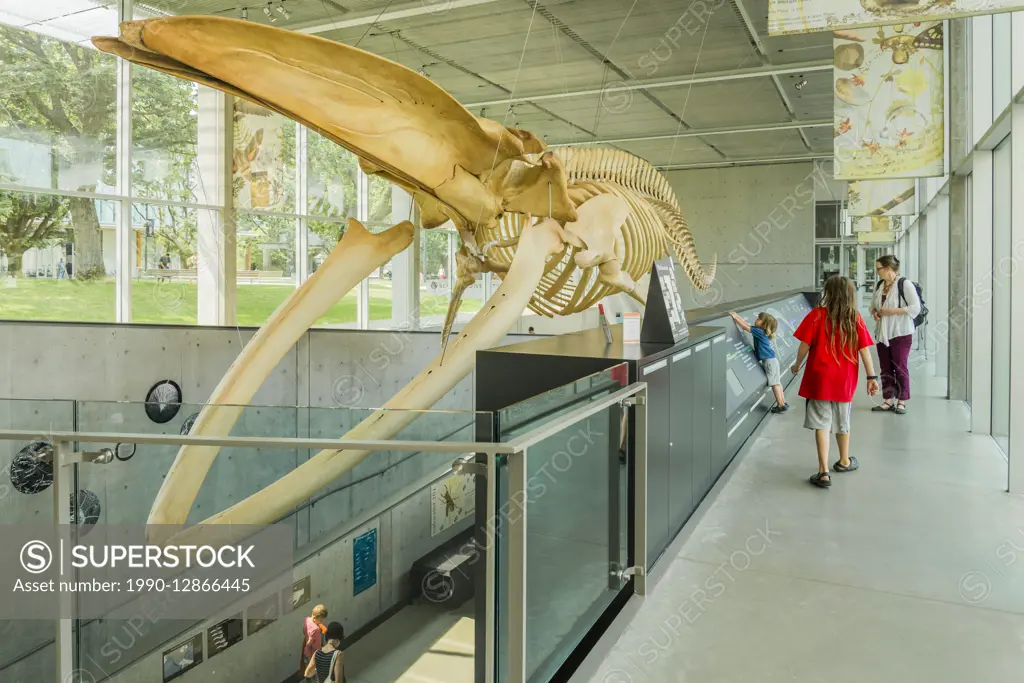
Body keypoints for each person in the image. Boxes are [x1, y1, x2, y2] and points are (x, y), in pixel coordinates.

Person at [791, 275, 880, 488]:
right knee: (843, 421)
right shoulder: (854, 318)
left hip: (819, 378)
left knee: (822, 423)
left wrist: (797, 364)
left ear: (828, 293)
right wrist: (871, 376)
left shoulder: (816, 315)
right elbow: (864, 350)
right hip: (845, 379)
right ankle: (844, 461)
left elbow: (804, 345)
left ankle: (823, 472)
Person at [869, 255, 920, 415]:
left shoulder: (904, 284)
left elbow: (915, 308)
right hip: (883, 333)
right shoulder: (879, 285)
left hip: (900, 333)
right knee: (885, 367)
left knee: (900, 366)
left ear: (889, 268)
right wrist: (876, 313)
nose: (877, 272)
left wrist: (892, 311)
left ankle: (901, 401)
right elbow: (872, 306)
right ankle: (888, 400)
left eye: (879, 268)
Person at [728, 311, 788, 413]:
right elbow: (746, 324)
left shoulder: (759, 331)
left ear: (764, 324)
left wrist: (735, 317)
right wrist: (736, 315)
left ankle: (781, 405)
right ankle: (783, 402)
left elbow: (745, 327)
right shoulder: (762, 331)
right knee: (777, 383)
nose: (756, 319)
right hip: (773, 360)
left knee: (774, 384)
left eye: (759, 319)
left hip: (769, 362)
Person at [300, 604, 328, 679]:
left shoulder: (306, 619)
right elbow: (317, 647)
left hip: (306, 652)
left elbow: (304, 631)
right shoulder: (316, 630)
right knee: (316, 676)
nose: (322, 622)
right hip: (313, 655)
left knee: (307, 672)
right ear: (315, 617)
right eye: (321, 620)